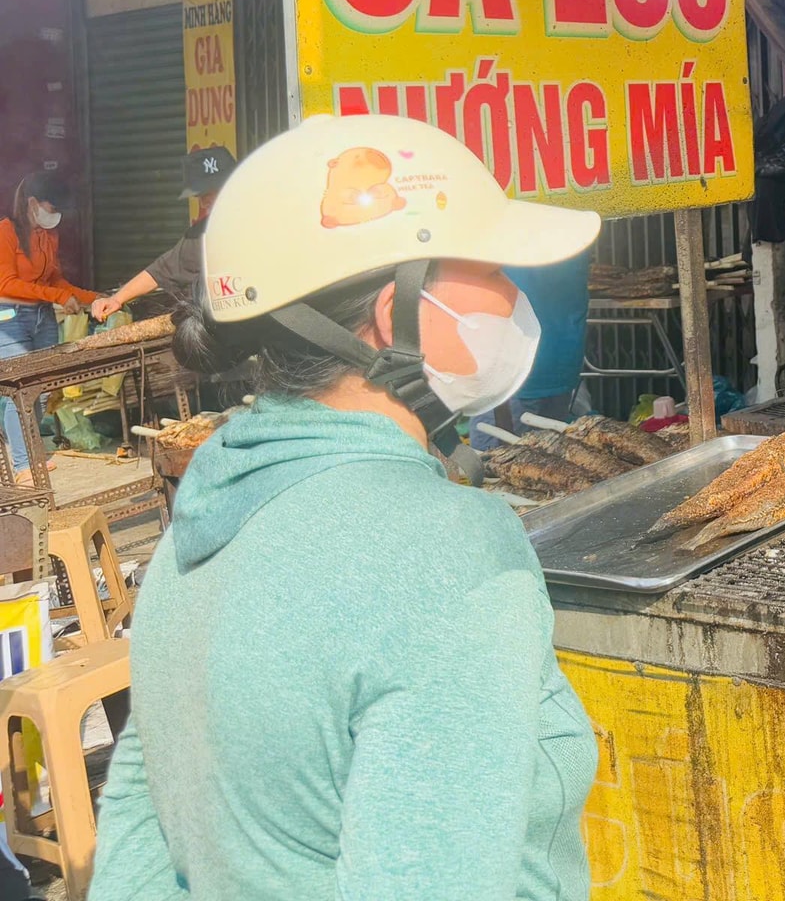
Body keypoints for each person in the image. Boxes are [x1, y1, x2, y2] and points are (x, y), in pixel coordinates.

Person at [91, 113, 600, 900]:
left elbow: (134, 850)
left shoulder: (195, 530)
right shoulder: (450, 555)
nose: (513, 294)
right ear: (399, 319)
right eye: (493, 271)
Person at [0, 172, 96, 473]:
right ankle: (22, 465)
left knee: (38, 388)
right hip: (9, 317)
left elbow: (54, 277)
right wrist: (56, 295)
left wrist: (94, 298)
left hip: (42, 317)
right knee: (20, 389)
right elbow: (5, 283)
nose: (55, 216)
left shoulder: (48, 234)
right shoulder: (6, 231)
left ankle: (32, 456)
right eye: (51, 209)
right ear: (32, 203)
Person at [91, 146, 236, 321]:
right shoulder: (201, 236)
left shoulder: (267, 217)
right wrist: (116, 299)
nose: (204, 203)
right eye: (200, 196)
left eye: (209, 194)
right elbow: (161, 270)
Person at [476, 249, 594, 450]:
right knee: (551, 464)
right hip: (562, 363)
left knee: (496, 468)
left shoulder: (501, 237)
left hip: (512, 375)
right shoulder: (572, 236)